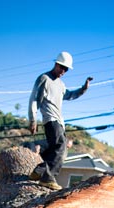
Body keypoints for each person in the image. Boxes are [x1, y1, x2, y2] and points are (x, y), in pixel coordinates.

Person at [28, 51, 92, 191]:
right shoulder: (44, 78)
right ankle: (47, 178)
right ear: (56, 64)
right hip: (50, 119)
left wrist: (83, 89)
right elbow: (33, 99)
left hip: (60, 122)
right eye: (62, 67)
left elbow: (69, 95)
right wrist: (33, 119)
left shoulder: (61, 84)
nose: (63, 71)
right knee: (60, 146)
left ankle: (38, 172)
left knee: (55, 150)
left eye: (66, 69)